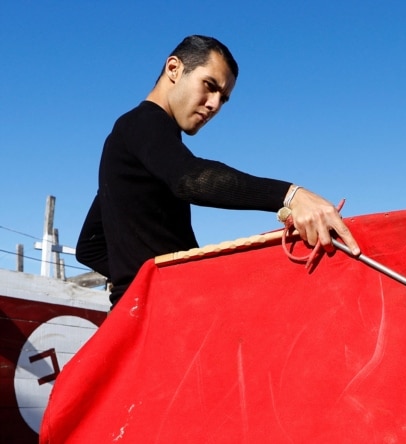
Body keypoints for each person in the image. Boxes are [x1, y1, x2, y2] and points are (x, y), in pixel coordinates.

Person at [76, 35, 360, 308]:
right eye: (209, 85)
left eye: (223, 98)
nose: (214, 105)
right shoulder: (144, 123)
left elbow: (90, 247)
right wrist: (290, 195)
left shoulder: (133, 145)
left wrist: (139, 279)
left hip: (135, 317)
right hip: (163, 316)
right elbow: (191, 178)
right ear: (174, 68)